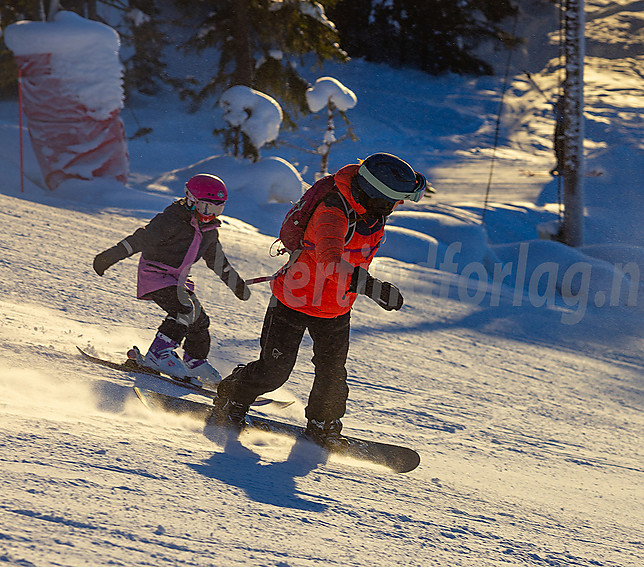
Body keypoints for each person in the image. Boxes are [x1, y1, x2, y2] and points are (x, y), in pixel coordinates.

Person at [207, 153, 426, 451]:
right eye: (395, 199)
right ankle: (231, 397)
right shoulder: (333, 212)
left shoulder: (371, 213)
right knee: (274, 370)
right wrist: (373, 287)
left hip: (336, 308)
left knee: (333, 373)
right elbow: (329, 262)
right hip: (292, 302)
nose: (398, 205)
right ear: (377, 195)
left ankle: (323, 425)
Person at [92, 173, 251, 383]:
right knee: (183, 309)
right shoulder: (171, 220)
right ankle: (158, 354)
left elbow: (217, 261)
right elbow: (140, 239)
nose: (210, 214)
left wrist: (236, 284)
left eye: (217, 209)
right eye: (205, 207)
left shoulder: (209, 231)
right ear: (190, 199)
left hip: (178, 280)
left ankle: (194, 362)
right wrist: (110, 256)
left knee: (199, 321)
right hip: (155, 274)